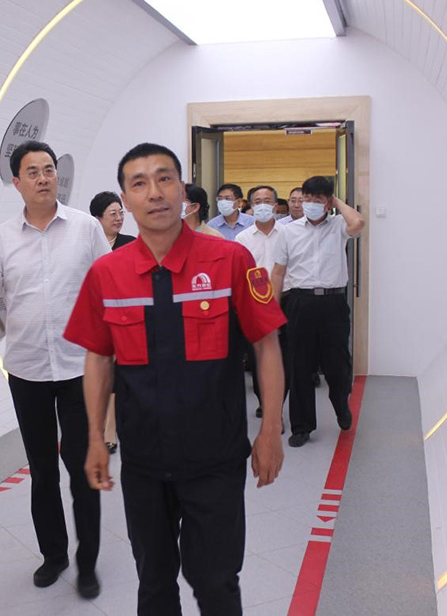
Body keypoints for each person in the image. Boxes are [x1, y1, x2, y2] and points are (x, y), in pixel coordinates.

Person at [65, 143, 286, 615]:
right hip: (144, 460)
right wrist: (95, 439)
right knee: (154, 582)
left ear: (183, 190)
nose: (154, 192)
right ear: (125, 200)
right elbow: (98, 358)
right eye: (139, 183)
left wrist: (270, 430)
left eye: (164, 178)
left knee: (216, 582)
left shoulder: (230, 260)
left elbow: (266, 345)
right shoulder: (106, 273)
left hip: (216, 457)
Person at [0, 141, 109, 599]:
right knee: (42, 470)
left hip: (78, 368)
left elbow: (108, 288)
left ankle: (88, 562)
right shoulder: (1, 238)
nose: (43, 178)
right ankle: (53, 555)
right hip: (27, 370)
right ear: (17, 182)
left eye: (48, 169)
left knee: (83, 466)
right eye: (32, 172)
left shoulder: (86, 228)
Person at [277, 175, 365, 448]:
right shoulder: (288, 231)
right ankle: (302, 426)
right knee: (299, 366)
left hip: (333, 303)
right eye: (307, 199)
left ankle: (340, 403)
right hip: (299, 302)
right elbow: (278, 272)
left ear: (328, 202)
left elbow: (359, 223)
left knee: (337, 366)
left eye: (317, 200)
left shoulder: (339, 225)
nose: (310, 204)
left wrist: (335, 201)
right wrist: (272, 309)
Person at [235, 185, 290, 422]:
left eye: (267, 201)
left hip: (286, 299)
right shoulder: (242, 238)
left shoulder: (288, 233)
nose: (263, 206)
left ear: (276, 206)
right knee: (258, 357)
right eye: (257, 202)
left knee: (283, 357)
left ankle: (276, 406)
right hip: (255, 302)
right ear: (250, 206)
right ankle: (264, 401)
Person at [89, 191, 135, 456]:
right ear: (98, 218)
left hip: (124, 317)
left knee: (117, 372)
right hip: (96, 316)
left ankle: (110, 429)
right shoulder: (86, 245)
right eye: (112, 214)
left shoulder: (131, 244)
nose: (118, 218)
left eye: (121, 213)